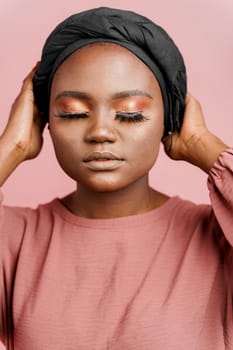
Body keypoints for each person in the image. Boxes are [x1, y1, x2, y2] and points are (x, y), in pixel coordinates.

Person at [0, 6, 232, 350]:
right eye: (73, 113)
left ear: (170, 120)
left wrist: (203, 145)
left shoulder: (217, 241)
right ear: (43, 119)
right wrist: (11, 147)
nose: (101, 132)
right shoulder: (14, 242)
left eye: (130, 114)